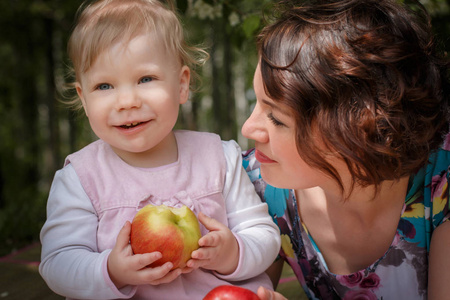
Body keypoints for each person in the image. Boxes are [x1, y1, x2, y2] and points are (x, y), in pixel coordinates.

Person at [38, 0, 281, 299]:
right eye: (104, 86)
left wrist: (232, 253)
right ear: (83, 97)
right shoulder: (81, 178)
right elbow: (57, 263)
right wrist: (111, 270)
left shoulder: (218, 158)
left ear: (181, 85)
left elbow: (266, 236)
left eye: (145, 79)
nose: (127, 101)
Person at [240, 0, 450, 299]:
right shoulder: (255, 190)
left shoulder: (442, 181)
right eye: (257, 102)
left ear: (356, 131)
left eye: (276, 118)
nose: (249, 128)